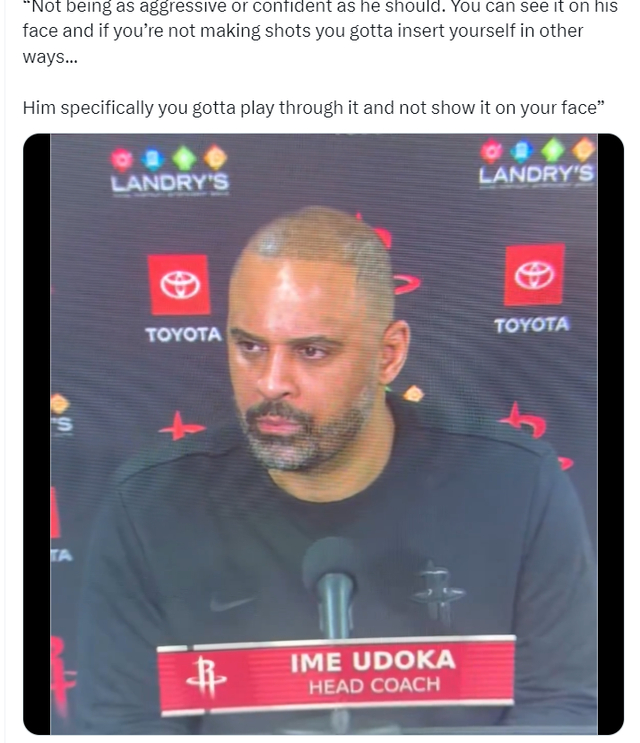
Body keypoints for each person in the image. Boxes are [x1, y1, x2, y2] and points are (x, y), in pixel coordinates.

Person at [76, 207, 597, 734]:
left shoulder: (517, 487)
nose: (271, 383)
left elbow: (565, 711)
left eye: (312, 351)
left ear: (388, 355)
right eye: (250, 346)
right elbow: (121, 726)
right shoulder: (150, 507)